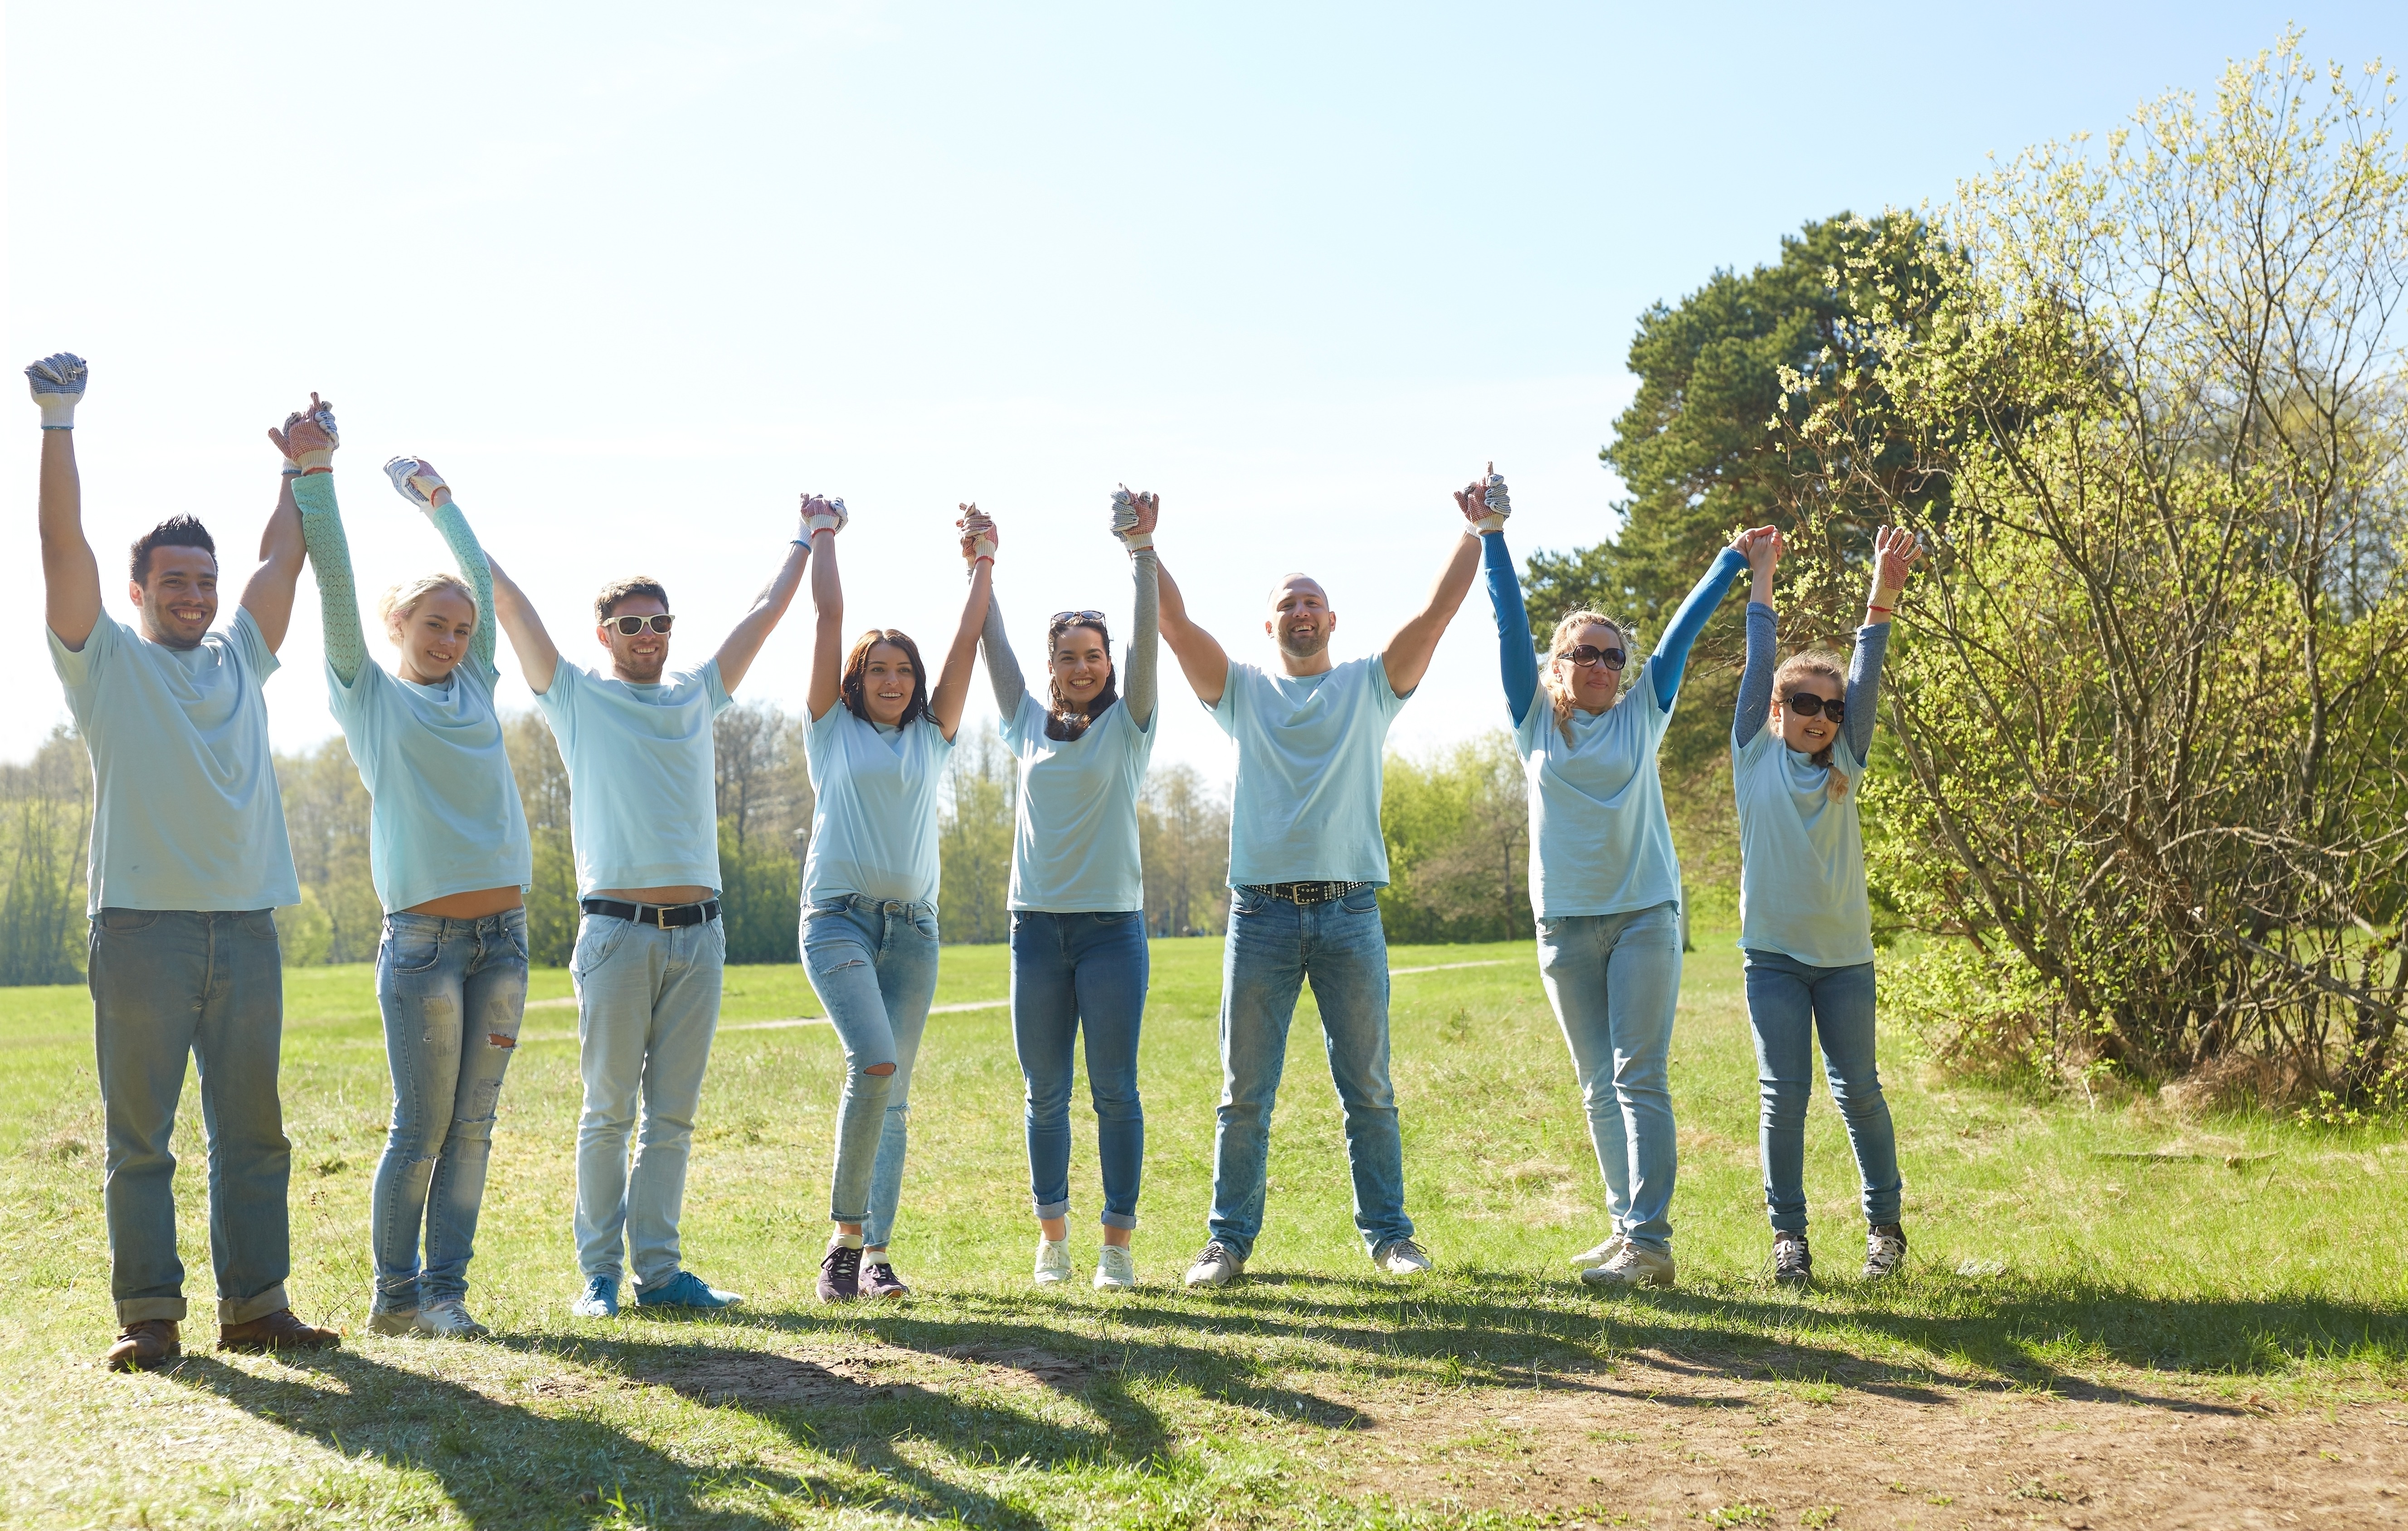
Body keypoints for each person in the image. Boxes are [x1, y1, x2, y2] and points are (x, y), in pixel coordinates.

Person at [30, 353, 340, 1369]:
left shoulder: (242, 657)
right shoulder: (105, 661)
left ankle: (257, 1306)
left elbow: (280, 565)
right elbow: (58, 544)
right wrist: (59, 420)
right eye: (175, 581)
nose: (196, 595)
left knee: (255, 1135)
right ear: (139, 590)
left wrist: (300, 473)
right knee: (142, 1142)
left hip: (246, 928)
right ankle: (150, 1318)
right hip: (142, 933)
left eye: (204, 582)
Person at [482, 486, 811, 1318]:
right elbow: (510, 604)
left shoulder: (697, 694)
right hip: (618, 936)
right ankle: (598, 1276)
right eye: (631, 624)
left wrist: (807, 538)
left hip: (701, 937)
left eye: (660, 621)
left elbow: (765, 614)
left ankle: (660, 1273)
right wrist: (444, 509)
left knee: (672, 1117)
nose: (649, 636)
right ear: (605, 635)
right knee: (607, 1113)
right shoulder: (577, 699)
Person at [1156, 481, 1489, 1288]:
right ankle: (1226, 1243)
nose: (1301, 612)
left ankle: (1391, 1238)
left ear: (1333, 621)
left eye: (1314, 602)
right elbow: (1172, 623)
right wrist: (1143, 548)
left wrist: (1476, 529)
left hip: (1348, 913)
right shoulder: (1242, 691)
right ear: (1268, 625)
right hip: (1261, 915)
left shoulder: (1369, 685)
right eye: (1287, 604)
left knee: (1369, 1088)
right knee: (1243, 1094)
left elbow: (1436, 616)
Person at [1474, 468, 1760, 1290]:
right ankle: (1623, 1227)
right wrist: (1493, 536)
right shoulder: (1534, 719)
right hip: (1564, 924)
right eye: (1583, 653)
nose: (1600, 663)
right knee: (1598, 1084)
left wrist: (1727, 563)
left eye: (1611, 654)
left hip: (1642, 918)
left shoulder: (1644, 712)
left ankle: (1652, 1239)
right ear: (1558, 664)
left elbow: (1679, 637)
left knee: (1639, 1075)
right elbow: (1507, 622)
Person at [286, 447, 532, 1339]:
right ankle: (395, 1302)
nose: (451, 639)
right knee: (422, 1131)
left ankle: (446, 1295)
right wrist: (315, 484)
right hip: (425, 947)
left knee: (474, 1131)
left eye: (462, 628)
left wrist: (440, 502)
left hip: (503, 940)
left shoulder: (477, 685)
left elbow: (480, 582)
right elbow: (337, 591)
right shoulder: (369, 698)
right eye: (434, 623)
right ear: (398, 624)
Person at [799, 495, 987, 1302]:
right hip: (838, 918)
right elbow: (828, 615)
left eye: (903, 670)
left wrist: (981, 562)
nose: (892, 679)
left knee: (896, 1094)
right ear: (856, 680)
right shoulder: (828, 729)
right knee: (873, 1062)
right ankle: (841, 1245)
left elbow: (967, 641)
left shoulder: (931, 736)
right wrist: (824, 538)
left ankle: (876, 1258)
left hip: (914, 931)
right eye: (878, 669)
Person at [972, 491, 1159, 1289]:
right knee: (1044, 1093)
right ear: (1051, 668)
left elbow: (1151, 639)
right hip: (1037, 934)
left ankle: (1116, 1246)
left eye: (1094, 654)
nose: (1081, 667)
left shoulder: (1132, 723)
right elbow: (992, 640)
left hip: (1112, 931)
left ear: (1109, 662)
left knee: (1114, 1091)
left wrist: (1142, 553)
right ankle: (1054, 1240)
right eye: (1068, 656)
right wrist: (982, 562)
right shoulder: (1023, 723)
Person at [1733, 524, 1921, 1285]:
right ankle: (1791, 1241)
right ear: (1776, 710)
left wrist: (1883, 592)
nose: (1819, 714)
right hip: (1773, 960)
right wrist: (1761, 580)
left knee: (1861, 1093)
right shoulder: (1754, 753)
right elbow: (1756, 662)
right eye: (1803, 702)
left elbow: (1869, 668)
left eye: (1830, 707)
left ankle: (1886, 1231)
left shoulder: (1848, 759)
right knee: (1785, 1097)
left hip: (1845, 963)